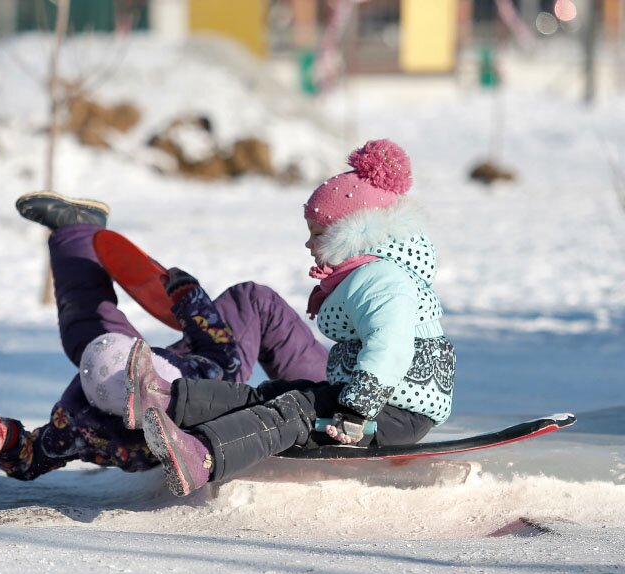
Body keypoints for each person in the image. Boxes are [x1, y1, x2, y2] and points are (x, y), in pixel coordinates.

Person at [129, 139, 456, 496]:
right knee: (275, 393)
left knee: (294, 410)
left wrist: (357, 410)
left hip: (394, 413)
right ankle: (167, 399)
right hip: (371, 399)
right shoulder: (365, 274)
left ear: (352, 234)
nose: (309, 244)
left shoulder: (383, 280)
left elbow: (389, 346)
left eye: (317, 234)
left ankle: (203, 457)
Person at [0, 191, 329, 481]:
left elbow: (35, 456)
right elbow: (221, 350)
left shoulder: (79, 420)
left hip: (142, 399)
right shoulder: (199, 387)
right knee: (253, 299)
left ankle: (75, 231)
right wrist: (190, 301)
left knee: (92, 336)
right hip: (204, 392)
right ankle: (332, 392)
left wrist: (9, 443)